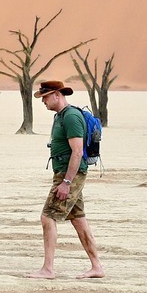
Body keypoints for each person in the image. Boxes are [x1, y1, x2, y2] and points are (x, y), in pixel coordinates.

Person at [25, 79, 104, 279]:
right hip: (64, 173)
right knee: (78, 220)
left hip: (70, 175)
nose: (43, 102)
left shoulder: (71, 117)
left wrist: (66, 182)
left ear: (57, 95)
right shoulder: (60, 117)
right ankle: (97, 267)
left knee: (48, 217)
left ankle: (48, 269)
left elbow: (77, 152)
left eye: (45, 97)